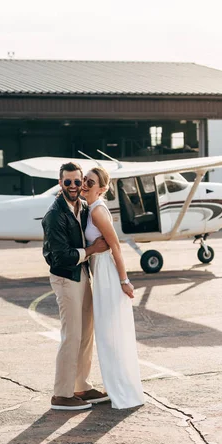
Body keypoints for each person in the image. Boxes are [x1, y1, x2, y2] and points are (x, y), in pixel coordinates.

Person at [42, 162, 110, 411]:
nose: (73, 186)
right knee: (71, 335)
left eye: (77, 181)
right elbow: (60, 256)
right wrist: (92, 250)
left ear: (83, 182)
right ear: (60, 183)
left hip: (81, 275)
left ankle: (81, 385)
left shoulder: (81, 205)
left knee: (85, 332)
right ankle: (61, 394)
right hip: (66, 277)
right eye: (67, 181)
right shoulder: (54, 215)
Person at [81, 166, 145, 409]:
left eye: (91, 181)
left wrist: (123, 280)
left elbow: (116, 246)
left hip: (107, 274)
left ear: (103, 188)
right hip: (100, 271)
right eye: (85, 179)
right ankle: (115, 385)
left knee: (110, 334)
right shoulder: (91, 208)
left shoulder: (97, 211)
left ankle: (120, 389)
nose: (85, 184)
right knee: (108, 333)